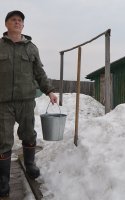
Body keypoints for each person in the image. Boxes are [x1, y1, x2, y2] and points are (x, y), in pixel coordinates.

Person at [0, 10, 58, 197]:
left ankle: (30, 164)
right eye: (13, 20)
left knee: (28, 134)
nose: (17, 22)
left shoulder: (31, 48)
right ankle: (3, 180)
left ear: (23, 25)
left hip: (26, 100)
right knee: (3, 140)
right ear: (6, 24)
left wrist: (49, 90)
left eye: (20, 20)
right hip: (3, 103)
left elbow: (39, 73)